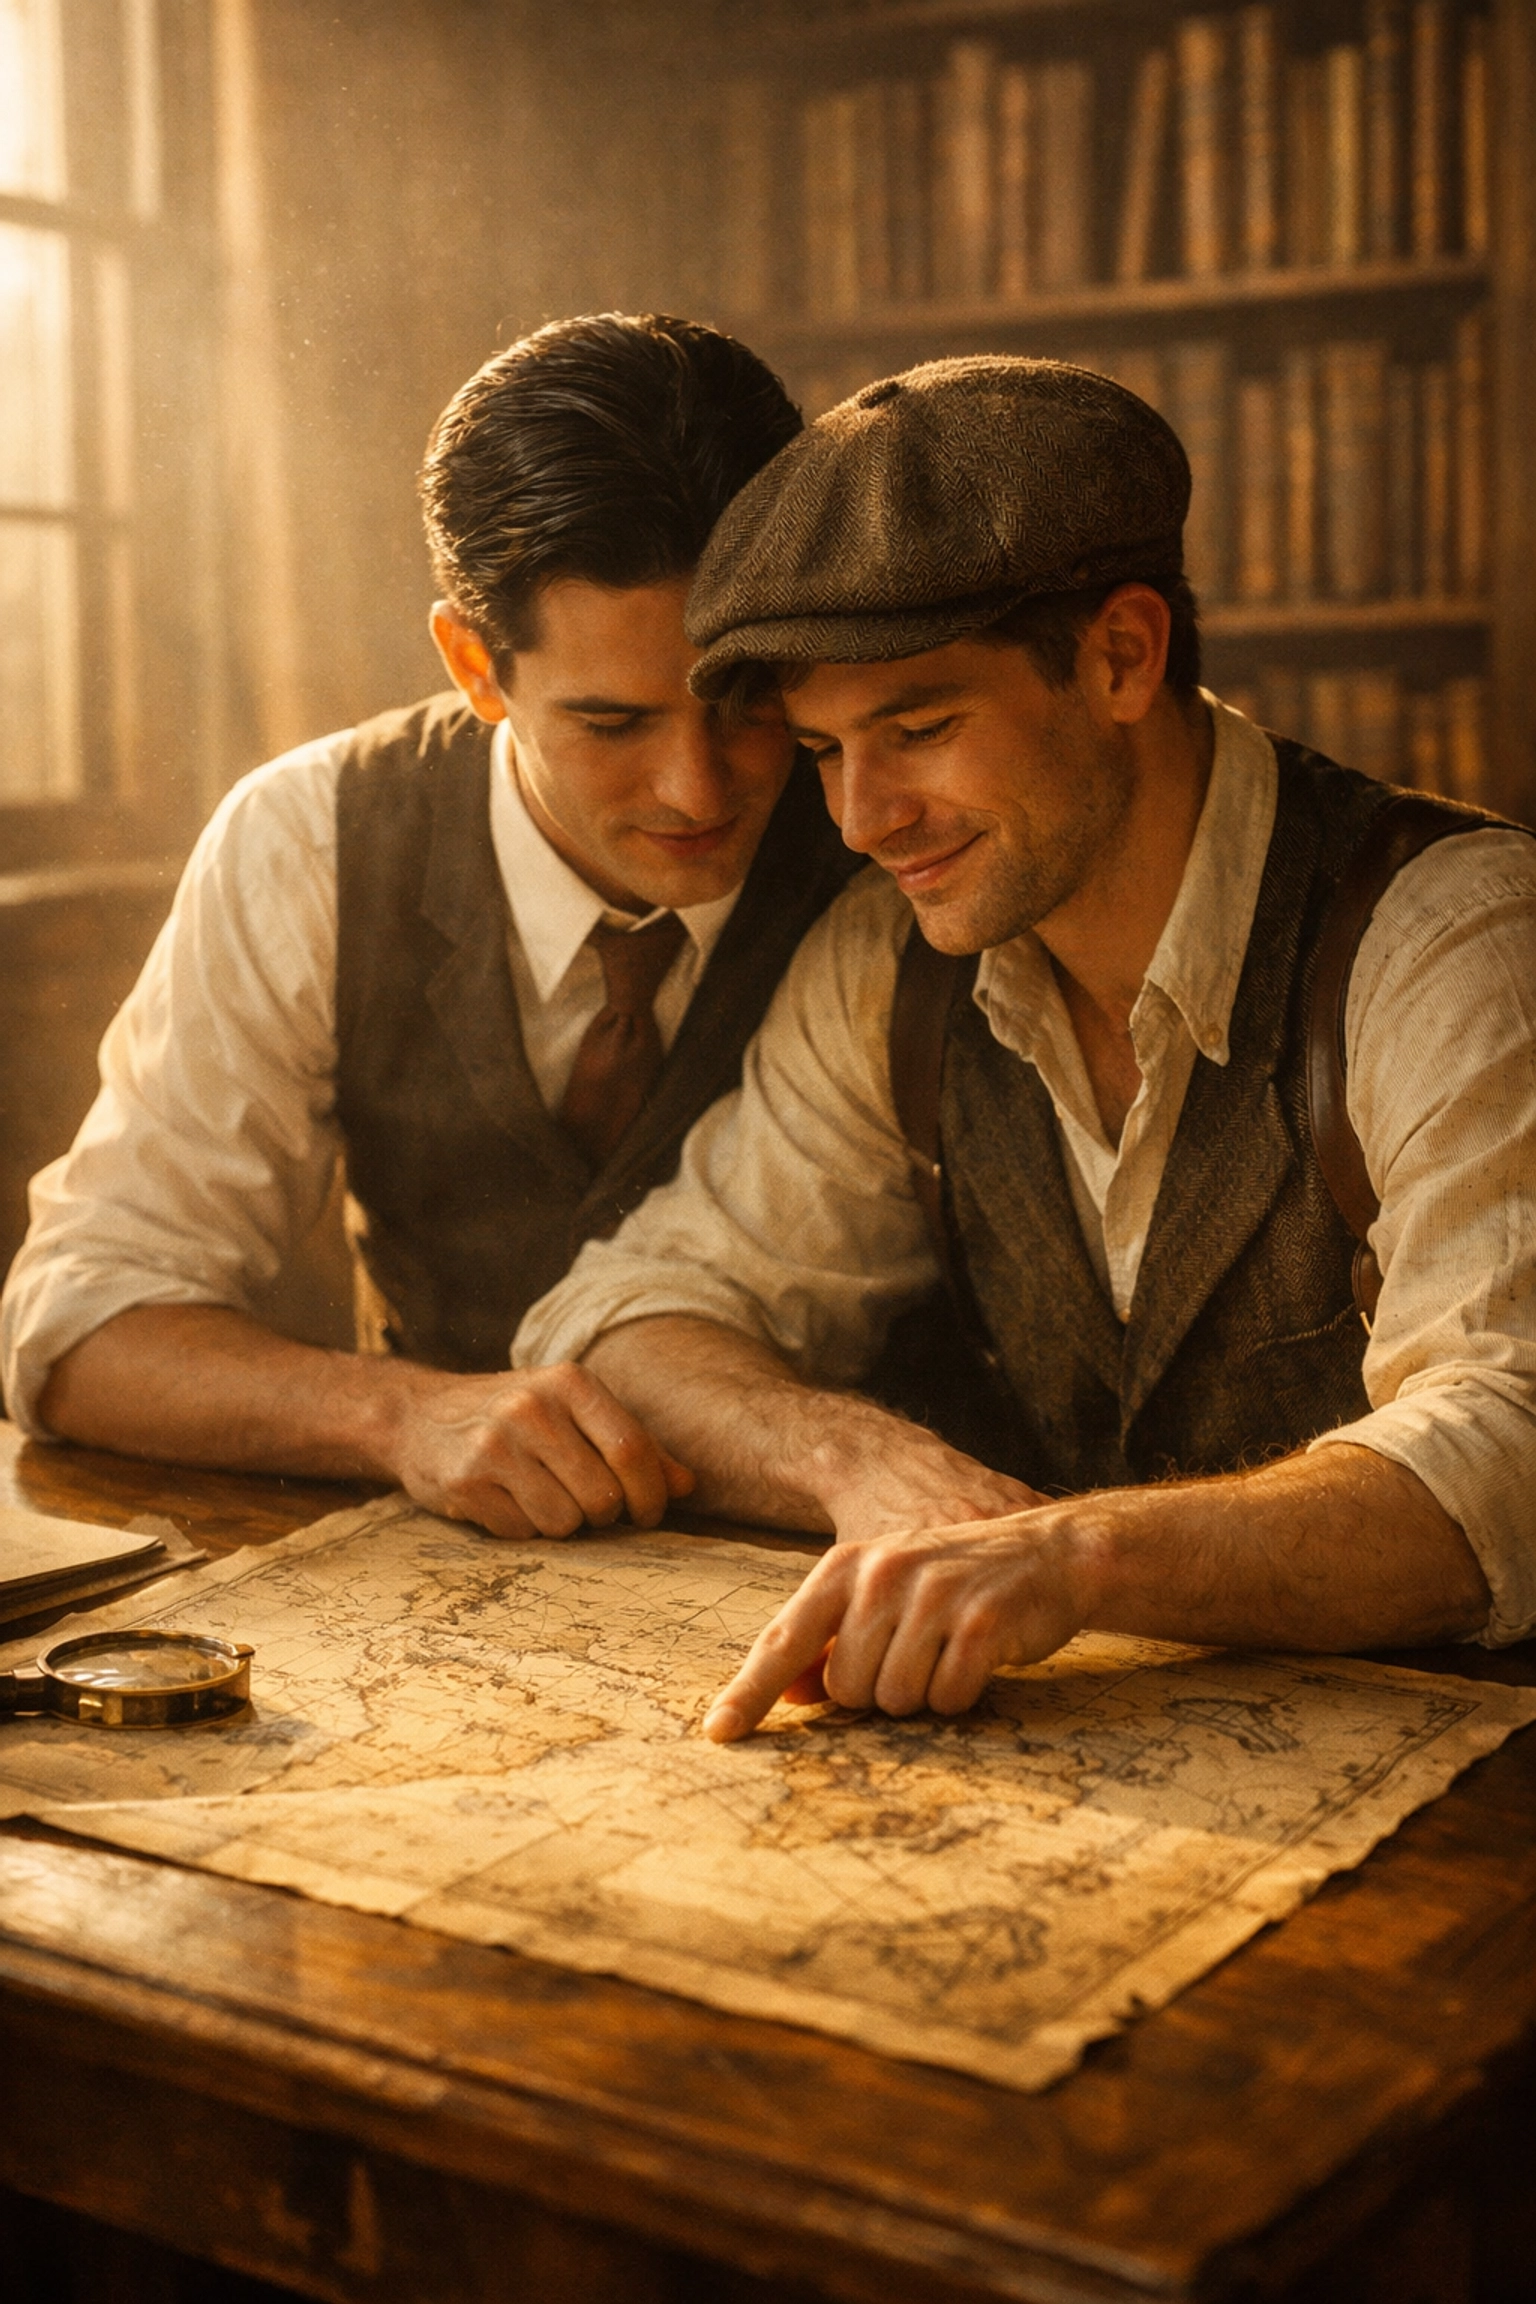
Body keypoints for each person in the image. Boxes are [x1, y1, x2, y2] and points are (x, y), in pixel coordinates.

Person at [511, 355, 1536, 1738]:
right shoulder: (889, 970)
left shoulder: (1452, 942)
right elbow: (617, 1319)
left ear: (1122, 655)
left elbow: (1514, 1443)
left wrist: (1072, 1555)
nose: (865, 817)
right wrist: (853, 1460)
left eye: (919, 729)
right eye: (820, 752)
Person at [1, 313, 859, 1539]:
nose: (701, 790)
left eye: (746, 703)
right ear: (471, 664)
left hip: (847, 1569)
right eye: (612, 724)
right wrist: (400, 1418)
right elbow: (79, 1327)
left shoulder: (890, 824)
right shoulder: (313, 839)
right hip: (450, 1576)